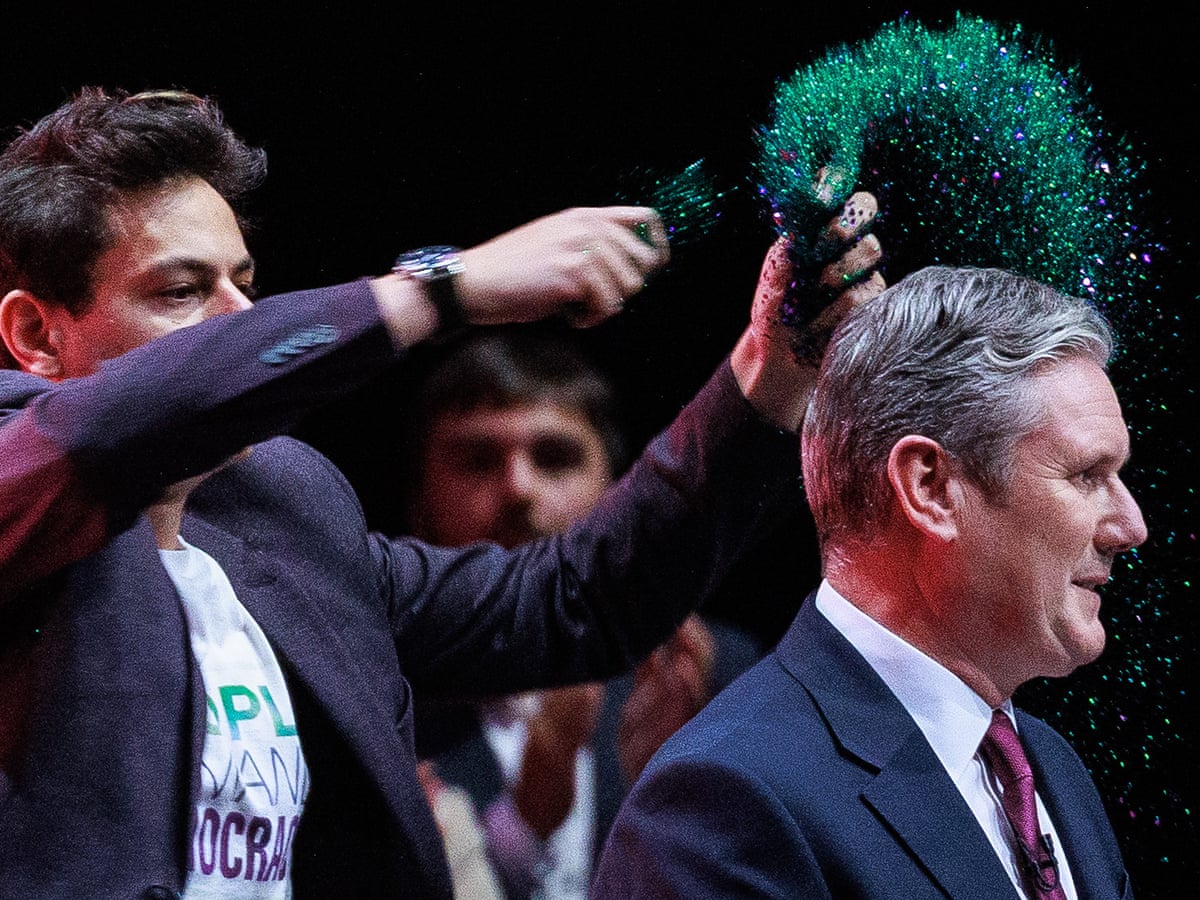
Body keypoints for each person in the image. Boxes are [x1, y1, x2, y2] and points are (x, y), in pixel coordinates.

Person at [0, 87, 882, 898]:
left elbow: (571, 599)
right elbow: (98, 435)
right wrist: (441, 290)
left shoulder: (283, 511)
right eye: (182, 290)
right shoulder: (18, 478)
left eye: (248, 285)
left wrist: (770, 371)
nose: (244, 319)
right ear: (36, 335)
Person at [593, 265, 1146, 899]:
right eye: (1086, 476)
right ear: (930, 487)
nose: (1131, 526)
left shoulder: (1052, 770)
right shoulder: (723, 802)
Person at [408, 328, 763, 899]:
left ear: (622, 497)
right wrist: (526, 823)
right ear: (421, 502)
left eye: (554, 458)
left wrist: (675, 799)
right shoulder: (375, 700)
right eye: (478, 460)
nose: (518, 488)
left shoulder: (718, 679)